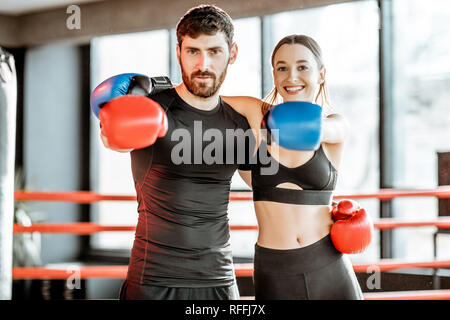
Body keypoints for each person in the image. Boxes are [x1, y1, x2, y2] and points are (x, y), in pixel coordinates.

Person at [90, 5, 256, 300]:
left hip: (219, 281)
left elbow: (268, 185)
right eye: (193, 51)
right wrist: (114, 121)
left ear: (232, 54)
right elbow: (113, 141)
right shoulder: (151, 105)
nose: (203, 63)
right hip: (154, 280)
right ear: (178, 52)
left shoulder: (237, 121)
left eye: (214, 51)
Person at [222, 34, 372, 300]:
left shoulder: (335, 123)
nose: (292, 76)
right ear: (274, 75)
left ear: (321, 74)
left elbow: (333, 129)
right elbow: (203, 101)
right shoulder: (257, 115)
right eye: (282, 68)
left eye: (303, 67)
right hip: (276, 273)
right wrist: (155, 90)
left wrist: (300, 125)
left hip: (329, 267)